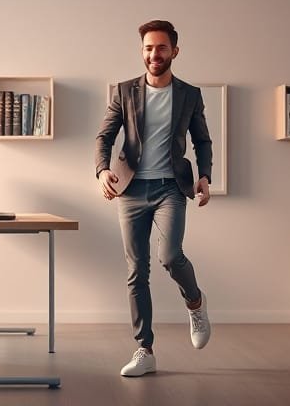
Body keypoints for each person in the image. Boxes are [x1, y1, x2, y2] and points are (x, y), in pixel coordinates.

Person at [94, 20, 212, 377]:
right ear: (142, 50)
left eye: (161, 47)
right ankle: (144, 349)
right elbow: (104, 136)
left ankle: (195, 301)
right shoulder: (124, 91)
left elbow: (202, 140)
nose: (153, 54)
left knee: (170, 256)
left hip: (170, 188)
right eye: (148, 47)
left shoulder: (190, 94)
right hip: (130, 191)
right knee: (136, 271)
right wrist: (102, 170)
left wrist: (204, 176)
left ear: (174, 51)